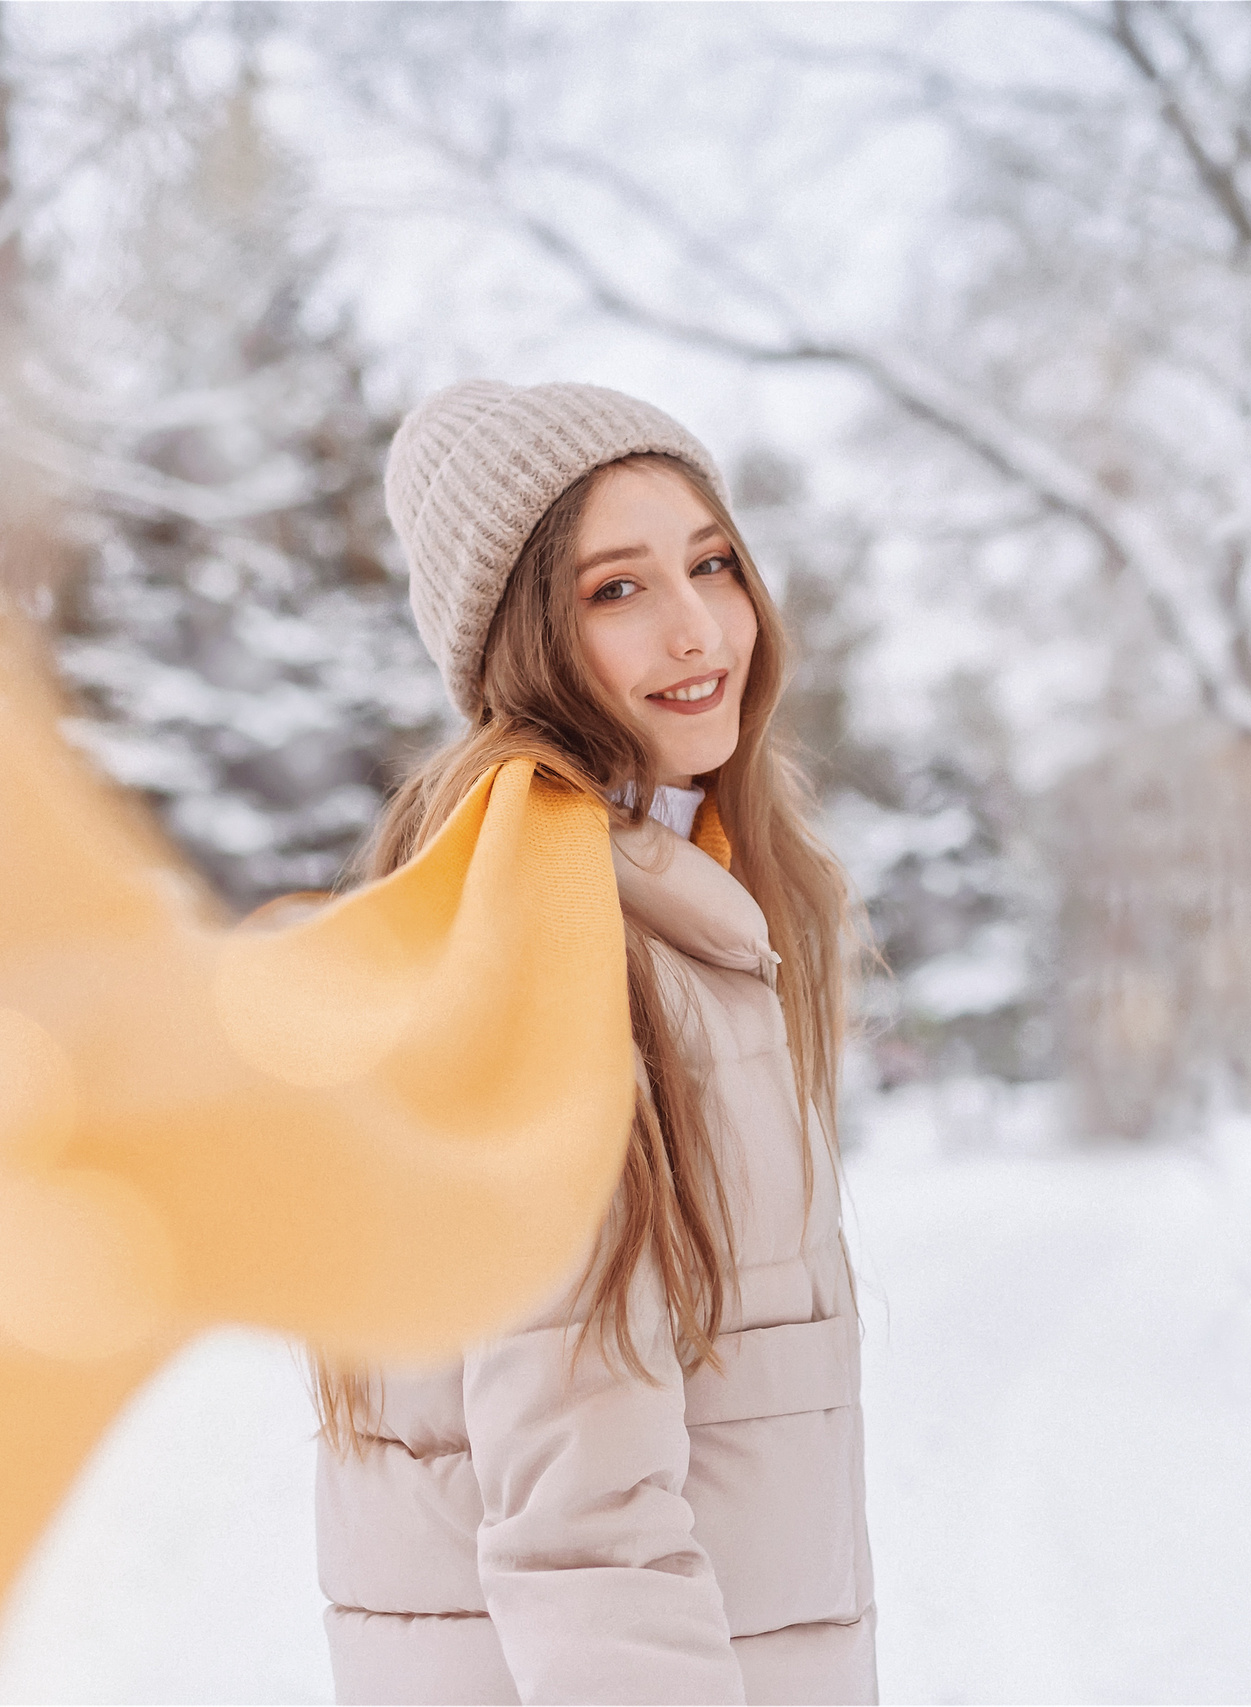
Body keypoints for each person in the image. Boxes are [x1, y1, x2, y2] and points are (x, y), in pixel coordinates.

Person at [313, 380, 876, 1705]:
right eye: (614, 590)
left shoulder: (654, 912)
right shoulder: (558, 944)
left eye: (712, 563)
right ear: (522, 645)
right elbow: (583, 1530)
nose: (699, 629)